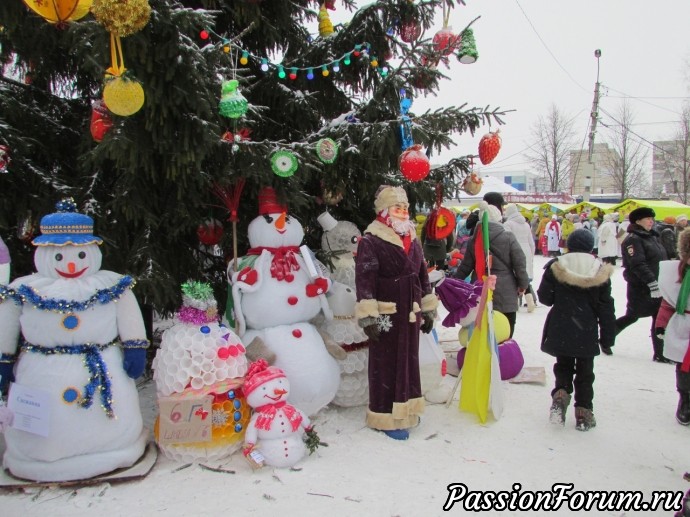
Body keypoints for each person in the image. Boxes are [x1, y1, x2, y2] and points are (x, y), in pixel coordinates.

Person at [354, 185, 438, 441]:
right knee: (385, 364)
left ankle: (408, 410)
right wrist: (368, 314)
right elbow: (364, 278)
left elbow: (422, 272)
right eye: (397, 208)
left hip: (410, 311)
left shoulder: (412, 236)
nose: (403, 212)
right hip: (387, 312)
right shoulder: (371, 239)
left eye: (405, 208)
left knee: (409, 361)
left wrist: (428, 306)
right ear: (384, 211)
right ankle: (384, 416)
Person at [537, 229, 615, 431]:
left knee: (563, 365)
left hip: (561, 324)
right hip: (586, 327)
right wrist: (608, 336)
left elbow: (545, 297)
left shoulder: (556, 266)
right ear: (591, 246)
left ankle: (561, 394)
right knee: (585, 372)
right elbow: (606, 306)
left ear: (568, 244)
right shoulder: (600, 270)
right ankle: (583, 412)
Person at [452, 201, 529, 338]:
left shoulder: (474, 240)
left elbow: (466, 266)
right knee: (505, 326)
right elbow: (520, 262)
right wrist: (523, 284)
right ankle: (504, 351)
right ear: (499, 218)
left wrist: (453, 283)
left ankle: (484, 353)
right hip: (506, 288)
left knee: (483, 325)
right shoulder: (508, 237)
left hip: (480, 287)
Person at [613, 207, 669, 362]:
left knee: (659, 318)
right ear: (638, 221)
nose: (651, 221)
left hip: (658, 285)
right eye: (647, 218)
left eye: (652, 218)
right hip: (641, 287)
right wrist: (651, 282)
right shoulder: (633, 239)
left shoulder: (652, 237)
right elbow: (638, 264)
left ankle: (660, 353)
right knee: (633, 316)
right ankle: (606, 337)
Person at [656, 228, 690, 426]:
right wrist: (661, 324)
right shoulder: (677, 273)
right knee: (684, 367)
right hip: (684, 324)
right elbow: (668, 302)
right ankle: (685, 399)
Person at [503, 203, 537, 311]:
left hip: (515, 251)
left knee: (514, 277)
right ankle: (530, 301)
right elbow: (531, 242)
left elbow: (507, 241)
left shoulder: (508, 224)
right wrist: (531, 254)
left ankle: (515, 302)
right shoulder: (526, 224)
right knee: (524, 277)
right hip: (526, 251)